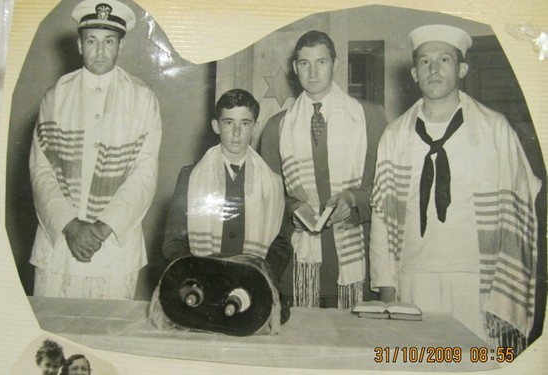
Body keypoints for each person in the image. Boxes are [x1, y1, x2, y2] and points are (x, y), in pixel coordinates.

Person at [369, 24, 540, 351]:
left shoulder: (495, 130)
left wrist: (505, 294)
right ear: (415, 74)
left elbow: (521, 213)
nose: (434, 68)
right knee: (416, 363)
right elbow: (382, 215)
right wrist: (386, 286)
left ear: (462, 69)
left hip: (477, 280)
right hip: (414, 276)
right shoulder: (395, 135)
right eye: (425, 61)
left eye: (444, 59)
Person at [29, 0, 162, 299]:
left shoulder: (142, 98)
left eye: (109, 41)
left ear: (120, 46)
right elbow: (41, 170)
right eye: (92, 40)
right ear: (79, 45)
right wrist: (70, 226)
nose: (100, 50)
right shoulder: (55, 97)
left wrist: (101, 229)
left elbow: (145, 174)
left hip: (114, 247)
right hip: (60, 247)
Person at [259, 30, 387, 309]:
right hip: (299, 264)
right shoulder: (277, 127)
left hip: (356, 257)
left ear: (335, 64)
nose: (313, 72)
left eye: (321, 62)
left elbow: (384, 187)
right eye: (305, 63)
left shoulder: (368, 116)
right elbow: (269, 197)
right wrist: (292, 208)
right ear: (295, 68)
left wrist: (353, 200)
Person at [162, 89, 290, 280]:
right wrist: (199, 273)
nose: (236, 133)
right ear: (216, 126)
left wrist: (260, 275)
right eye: (229, 122)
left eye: (245, 123)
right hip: (203, 280)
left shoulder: (273, 183)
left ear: (255, 127)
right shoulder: (191, 177)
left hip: (252, 282)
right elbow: (173, 243)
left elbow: (281, 245)